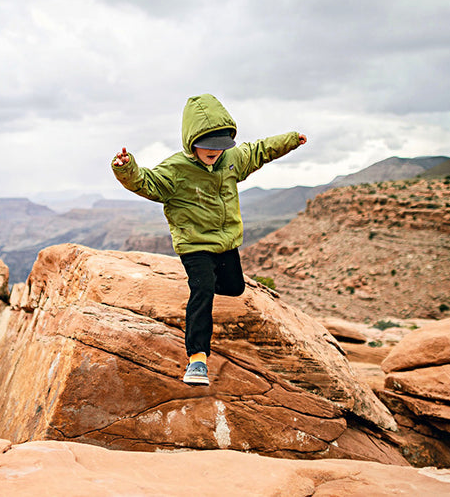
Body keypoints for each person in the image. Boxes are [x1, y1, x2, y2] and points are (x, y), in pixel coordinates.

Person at [111, 93, 306, 386]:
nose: (215, 151)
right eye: (209, 147)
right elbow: (146, 181)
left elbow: (259, 151)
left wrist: (291, 139)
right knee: (202, 290)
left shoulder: (231, 159)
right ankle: (197, 360)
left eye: (221, 145)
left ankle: (199, 288)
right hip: (194, 244)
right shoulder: (176, 169)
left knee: (234, 287)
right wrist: (126, 168)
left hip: (225, 241)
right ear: (192, 143)